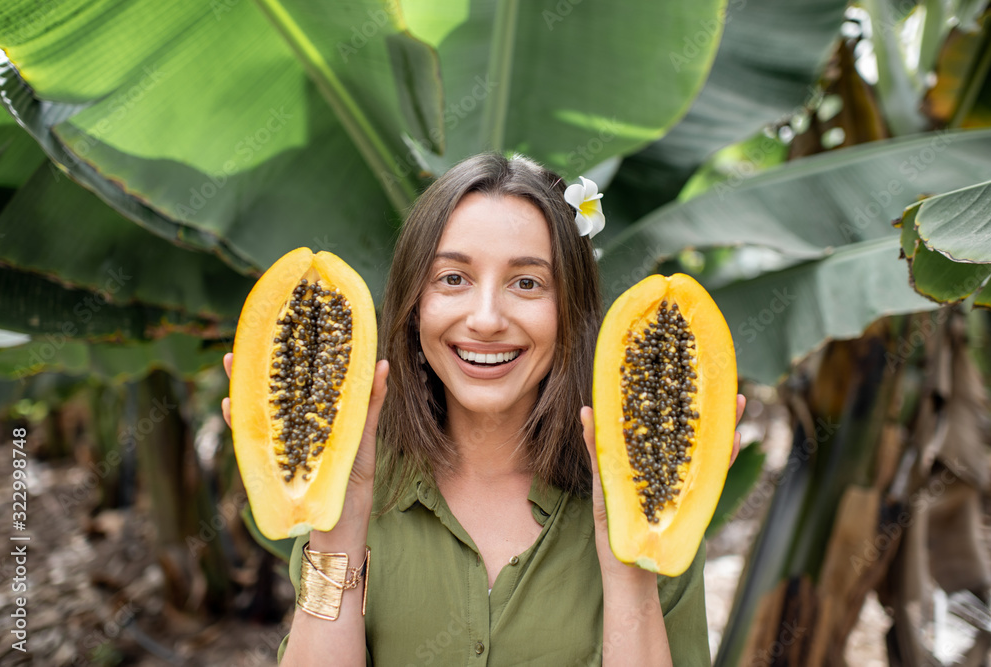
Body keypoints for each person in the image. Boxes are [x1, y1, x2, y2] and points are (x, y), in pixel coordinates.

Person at [221, 152, 745, 665]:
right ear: (414, 304)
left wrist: (629, 560)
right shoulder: (345, 494)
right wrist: (343, 522)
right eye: (453, 279)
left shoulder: (645, 503)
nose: (487, 318)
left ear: (571, 310)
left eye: (527, 283)